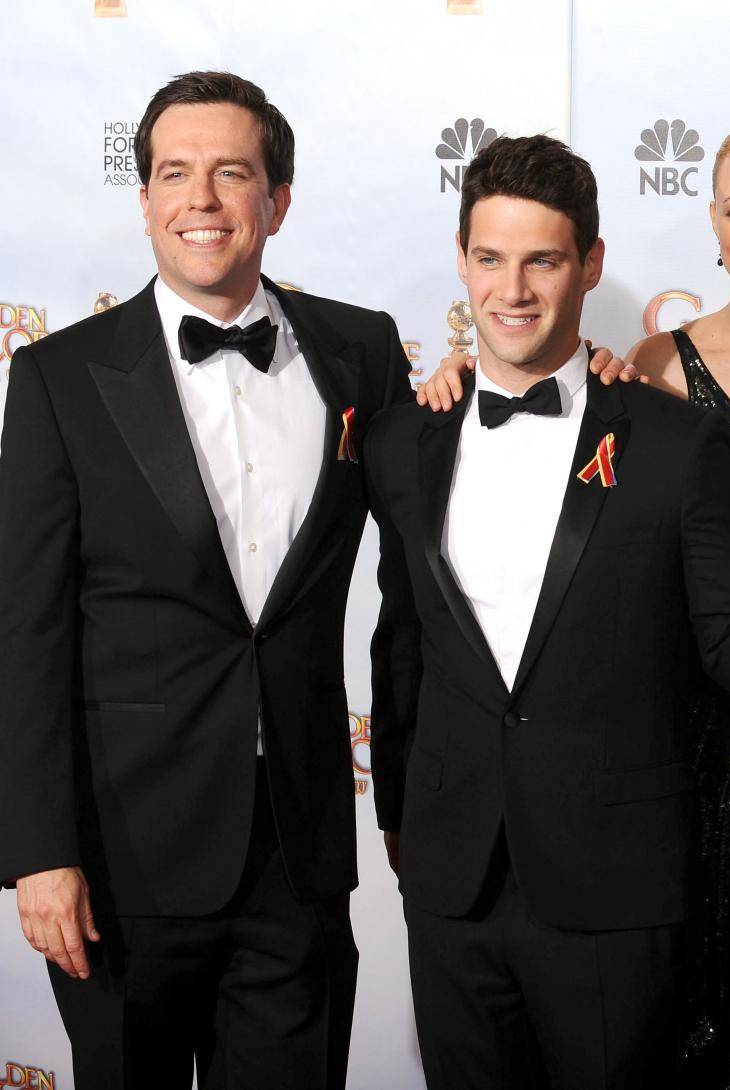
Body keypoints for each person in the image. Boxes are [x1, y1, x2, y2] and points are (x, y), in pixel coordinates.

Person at [362, 132, 730, 1090]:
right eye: (490, 259)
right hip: (449, 879)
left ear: (591, 265)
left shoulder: (674, 442)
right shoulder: (404, 441)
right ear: (463, 261)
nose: (512, 291)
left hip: (616, 878)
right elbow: (399, 647)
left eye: (543, 261)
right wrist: (399, 812)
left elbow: (726, 638)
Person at [0, 72, 414, 1088]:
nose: (202, 200)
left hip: (300, 852)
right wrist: (38, 851)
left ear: (277, 199)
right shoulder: (58, 379)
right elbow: (27, 629)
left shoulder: (361, 351)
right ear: (142, 200)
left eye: (233, 173)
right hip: (120, 855)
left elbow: (430, 561)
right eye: (175, 174)